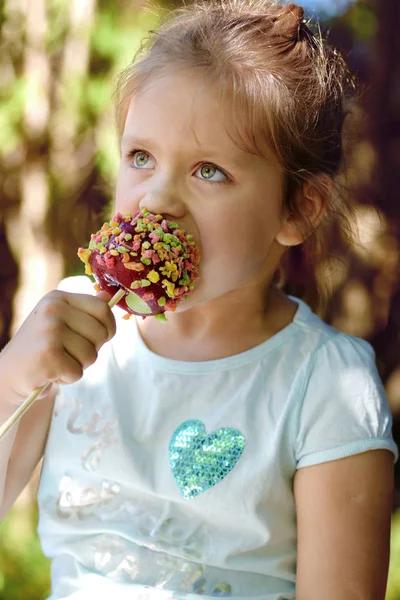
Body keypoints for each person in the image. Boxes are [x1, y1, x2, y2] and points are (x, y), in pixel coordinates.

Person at [0, 1, 398, 598]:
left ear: (297, 210)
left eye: (209, 170)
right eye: (141, 158)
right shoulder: (69, 330)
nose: (157, 198)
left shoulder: (325, 386)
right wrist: (12, 377)